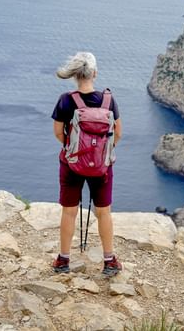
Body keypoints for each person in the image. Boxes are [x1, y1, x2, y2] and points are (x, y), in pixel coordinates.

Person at [51, 51, 122, 276]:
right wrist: (100, 153)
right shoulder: (109, 101)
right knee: (104, 212)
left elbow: (58, 133)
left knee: (69, 212)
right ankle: (109, 261)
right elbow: (118, 133)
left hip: (71, 164)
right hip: (102, 166)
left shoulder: (66, 100)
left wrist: (74, 150)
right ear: (94, 73)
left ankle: (63, 261)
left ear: (75, 75)